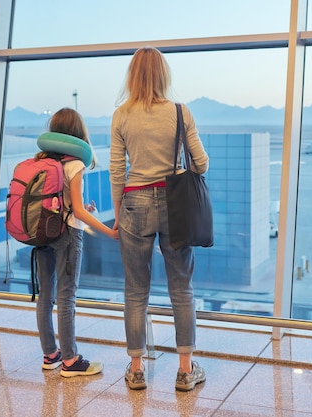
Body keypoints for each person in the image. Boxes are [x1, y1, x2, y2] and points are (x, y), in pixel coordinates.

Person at [110, 47, 209, 391]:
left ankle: (136, 369)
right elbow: (202, 163)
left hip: (133, 204)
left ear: (132, 76)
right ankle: (185, 371)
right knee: (181, 288)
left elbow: (116, 170)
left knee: (136, 290)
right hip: (173, 203)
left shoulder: (121, 115)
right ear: (164, 75)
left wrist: (119, 213)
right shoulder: (180, 112)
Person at [36, 107, 119, 378]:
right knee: (67, 296)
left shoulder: (42, 161)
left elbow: (62, 202)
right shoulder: (75, 165)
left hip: (42, 233)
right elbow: (78, 213)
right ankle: (71, 361)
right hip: (68, 235)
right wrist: (109, 232)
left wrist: (82, 208)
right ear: (78, 133)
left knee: (46, 296)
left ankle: (51, 356)